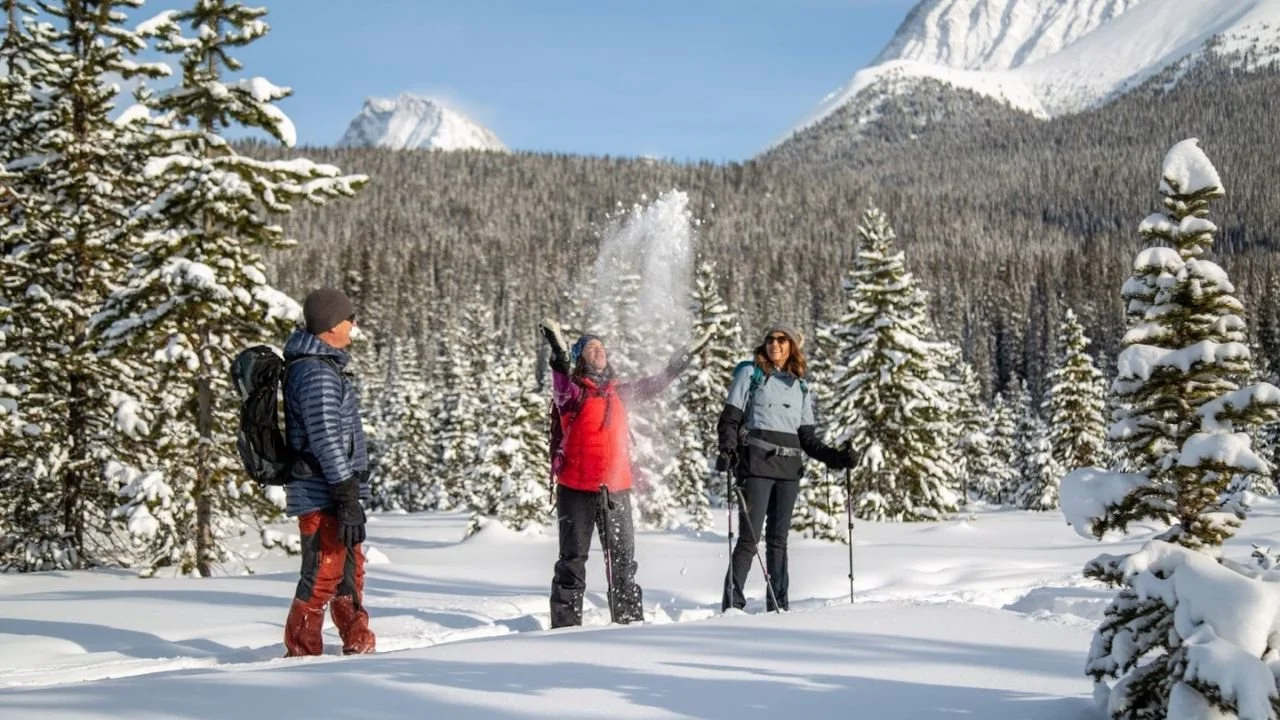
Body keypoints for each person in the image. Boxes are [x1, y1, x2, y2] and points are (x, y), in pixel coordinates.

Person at [539, 319, 708, 628]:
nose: (599, 350)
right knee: (572, 561)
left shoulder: (620, 393)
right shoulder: (573, 394)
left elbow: (654, 384)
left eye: (602, 347)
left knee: (622, 562)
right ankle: (564, 628)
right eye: (591, 347)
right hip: (576, 489)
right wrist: (558, 353)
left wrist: (679, 363)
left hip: (616, 489)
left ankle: (628, 625)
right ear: (579, 358)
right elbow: (560, 381)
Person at [716, 324, 853, 612]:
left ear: (792, 346)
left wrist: (837, 458)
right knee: (749, 539)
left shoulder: (801, 385)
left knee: (778, 540)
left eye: (782, 340)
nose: (775, 344)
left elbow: (807, 439)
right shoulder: (750, 373)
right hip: (756, 466)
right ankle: (732, 605)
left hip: (789, 470)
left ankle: (779, 605)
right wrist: (727, 450)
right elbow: (730, 417)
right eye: (770, 339)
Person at [281, 287, 376, 656]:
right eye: (348, 318)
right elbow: (325, 438)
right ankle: (302, 654)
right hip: (323, 493)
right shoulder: (315, 372)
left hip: (336, 491)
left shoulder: (324, 366)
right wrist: (346, 493)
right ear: (331, 325)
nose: (353, 325)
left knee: (350, 574)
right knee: (323, 575)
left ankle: (358, 643)